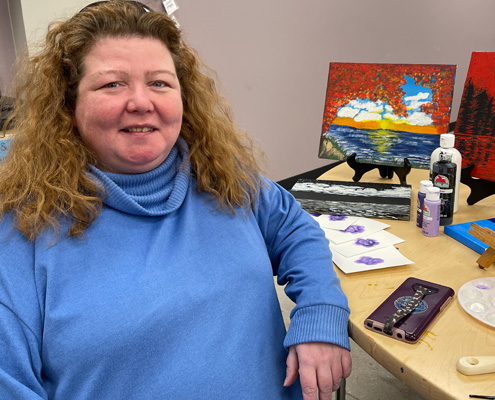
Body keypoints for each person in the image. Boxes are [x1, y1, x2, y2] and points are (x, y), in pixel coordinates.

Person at [0, 1, 351, 399]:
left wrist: (321, 310)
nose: (140, 101)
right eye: (112, 83)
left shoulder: (221, 176)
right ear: (69, 105)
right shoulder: (21, 232)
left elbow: (295, 227)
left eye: (160, 83)